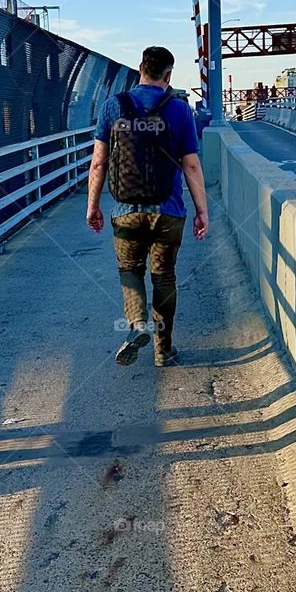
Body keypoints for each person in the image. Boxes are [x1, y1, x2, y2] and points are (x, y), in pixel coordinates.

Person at [86, 46, 209, 367]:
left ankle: (137, 323)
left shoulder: (113, 106)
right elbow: (191, 165)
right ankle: (163, 350)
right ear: (168, 75)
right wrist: (202, 211)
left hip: (126, 211)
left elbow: (98, 163)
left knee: (130, 270)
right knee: (164, 276)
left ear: (141, 69)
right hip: (169, 212)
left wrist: (93, 205)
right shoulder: (180, 109)